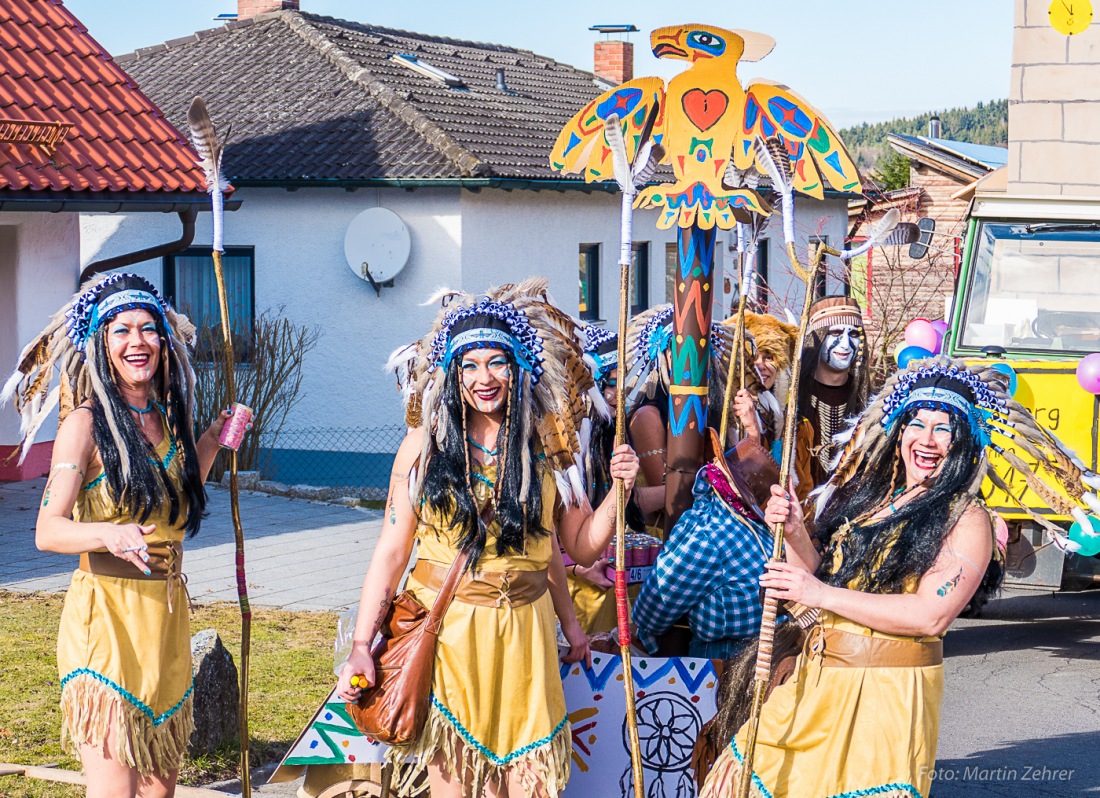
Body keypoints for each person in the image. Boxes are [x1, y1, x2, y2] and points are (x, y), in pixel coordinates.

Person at [696, 356, 1100, 798]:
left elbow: (930, 616)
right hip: (813, 684)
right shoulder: (874, 500)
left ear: (964, 440)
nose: (927, 440)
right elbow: (822, 577)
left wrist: (819, 592)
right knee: (746, 779)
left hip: (883, 698)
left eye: (943, 428)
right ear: (899, 432)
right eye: (917, 425)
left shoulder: (968, 520)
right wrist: (794, 531)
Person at [338, 280, 639, 797]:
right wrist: (362, 646)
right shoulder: (423, 445)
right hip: (450, 635)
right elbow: (390, 554)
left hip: (527, 640)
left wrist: (619, 491)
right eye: (470, 365)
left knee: (531, 786)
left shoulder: (549, 446)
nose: (484, 378)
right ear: (452, 373)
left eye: (497, 362)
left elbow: (581, 548)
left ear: (519, 365)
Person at [3, 274, 236, 798]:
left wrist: (212, 440)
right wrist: (107, 534)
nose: (137, 343)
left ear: (164, 341)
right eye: (122, 331)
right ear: (101, 346)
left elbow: (172, 499)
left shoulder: (170, 418)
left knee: (159, 793)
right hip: (106, 622)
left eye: (148, 330)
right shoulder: (84, 426)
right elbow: (47, 530)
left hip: (167, 621)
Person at [795, 296, 870, 488]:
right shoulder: (792, 400)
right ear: (818, 338)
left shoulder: (871, 405)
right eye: (836, 332)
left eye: (853, 334)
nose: (845, 344)